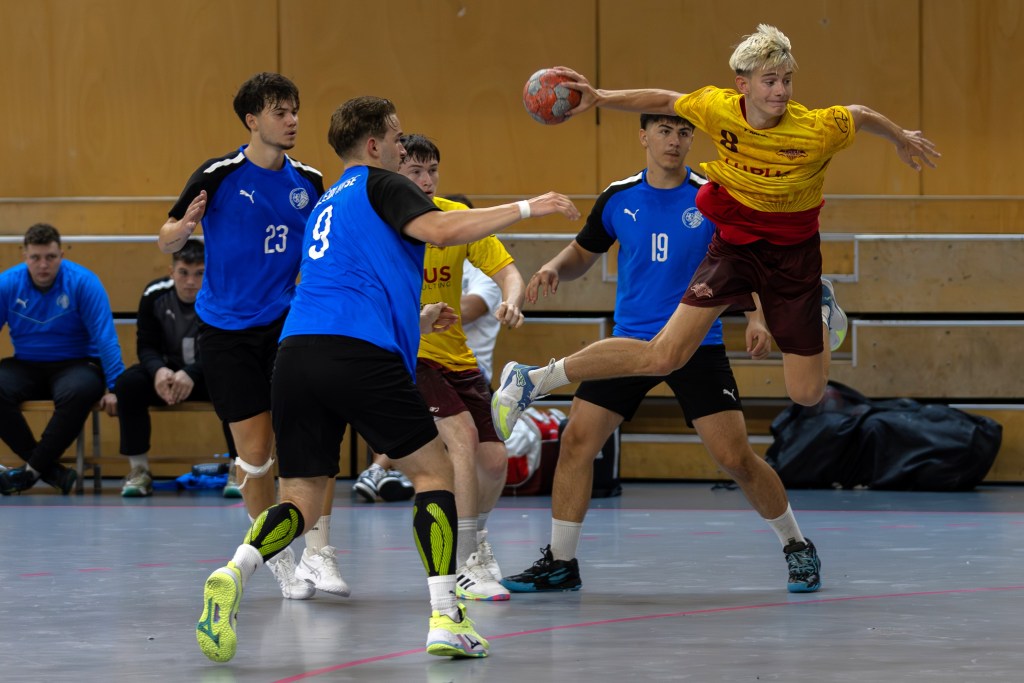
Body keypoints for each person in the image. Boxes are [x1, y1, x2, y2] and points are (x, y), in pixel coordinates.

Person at [194, 96, 579, 663]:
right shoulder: (383, 183)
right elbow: (442, 230)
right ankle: (447, 617)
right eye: (397, 138)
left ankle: (235, 570)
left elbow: (348, 283)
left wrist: (415, 319)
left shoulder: (328, 201)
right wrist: (529, 206)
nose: (404, 147)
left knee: (300, 497)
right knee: (435, 472)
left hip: (296, 353)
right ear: (374, 145)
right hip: (358, 353)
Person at [491, 24, 940, 442]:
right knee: (663, 355)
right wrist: (601, 97)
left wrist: (900, 137)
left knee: (806, 393)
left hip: (792, 255)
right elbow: (665, 99)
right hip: (734, 247)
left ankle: (820, 307)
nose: (781, 91)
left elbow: (859, 114)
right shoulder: (719, 109)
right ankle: (534, 379)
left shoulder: (817, 129)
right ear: (743, 84)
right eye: (770, 81)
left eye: (786, 80)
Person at [499, 113, 821, 595]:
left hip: (697, 343)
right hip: (628, 346)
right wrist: (553, 267)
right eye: (665, 131)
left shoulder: (711, 195)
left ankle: (797, 545)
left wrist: (756, 317)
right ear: (644, 136)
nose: (675, 140)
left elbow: (746, 257)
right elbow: (584, 251)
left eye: (684, 132)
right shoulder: (618, 197)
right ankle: (561, 562)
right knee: (577, 442)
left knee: (735, 458)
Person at [158, 72, 343, 601]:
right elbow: (166, 238)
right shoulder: (217, 175)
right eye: (280, 112)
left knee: (311, 436)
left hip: (289, 325)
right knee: (257, 456)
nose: (292, 121)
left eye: (294, 110)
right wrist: (184, 228)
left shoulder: (310, 181)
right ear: (252, 120)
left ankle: (319, 552)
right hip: (226, 333)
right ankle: (277, 556)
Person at [0, 223, 123, 495]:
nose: (43, 265)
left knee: (80, 391)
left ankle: (31, 471)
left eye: (50, 257)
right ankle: (50, 471)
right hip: (27, 364)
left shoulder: (83, 282)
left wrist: (116, 386)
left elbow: (105, 337)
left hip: (76, 363)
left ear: (62, 255)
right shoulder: (7, 284)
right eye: (35, 257)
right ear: (24, 256)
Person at [113, 239, 239, 498]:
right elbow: (146, 345)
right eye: (183, 272)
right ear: (172, 272)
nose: (190, 281)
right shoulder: (154, 294)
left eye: (199, 273)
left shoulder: (222, 297)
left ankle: (238, 469)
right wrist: (158, 371)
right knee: (128, 385)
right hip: (168, 376)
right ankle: (139, 470)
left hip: (209, 374)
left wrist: (192, 373)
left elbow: (227, 347)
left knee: (238, 385)